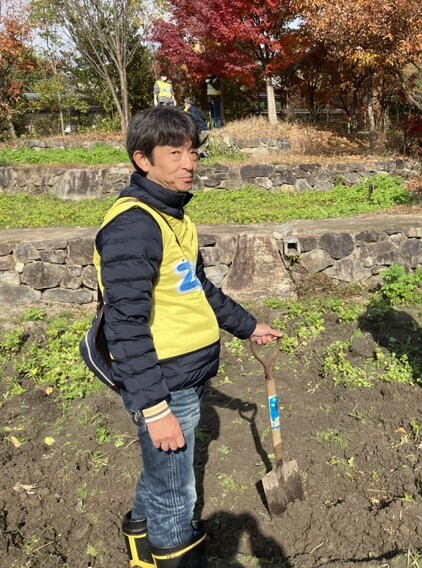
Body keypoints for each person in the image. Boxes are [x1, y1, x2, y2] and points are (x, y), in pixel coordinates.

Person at [95, 106, 281, 566]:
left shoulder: (172, 216)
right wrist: (156, 408)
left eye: (193, 152)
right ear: (142, 160)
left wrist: (248, 326)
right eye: (175, 153)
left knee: (163, 474)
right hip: (164, 381)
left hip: (184, 375)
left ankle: (141, 548)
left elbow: (197, 289)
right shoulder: (133, 226)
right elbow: (125, 326)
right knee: (176, 492)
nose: (189, 164)